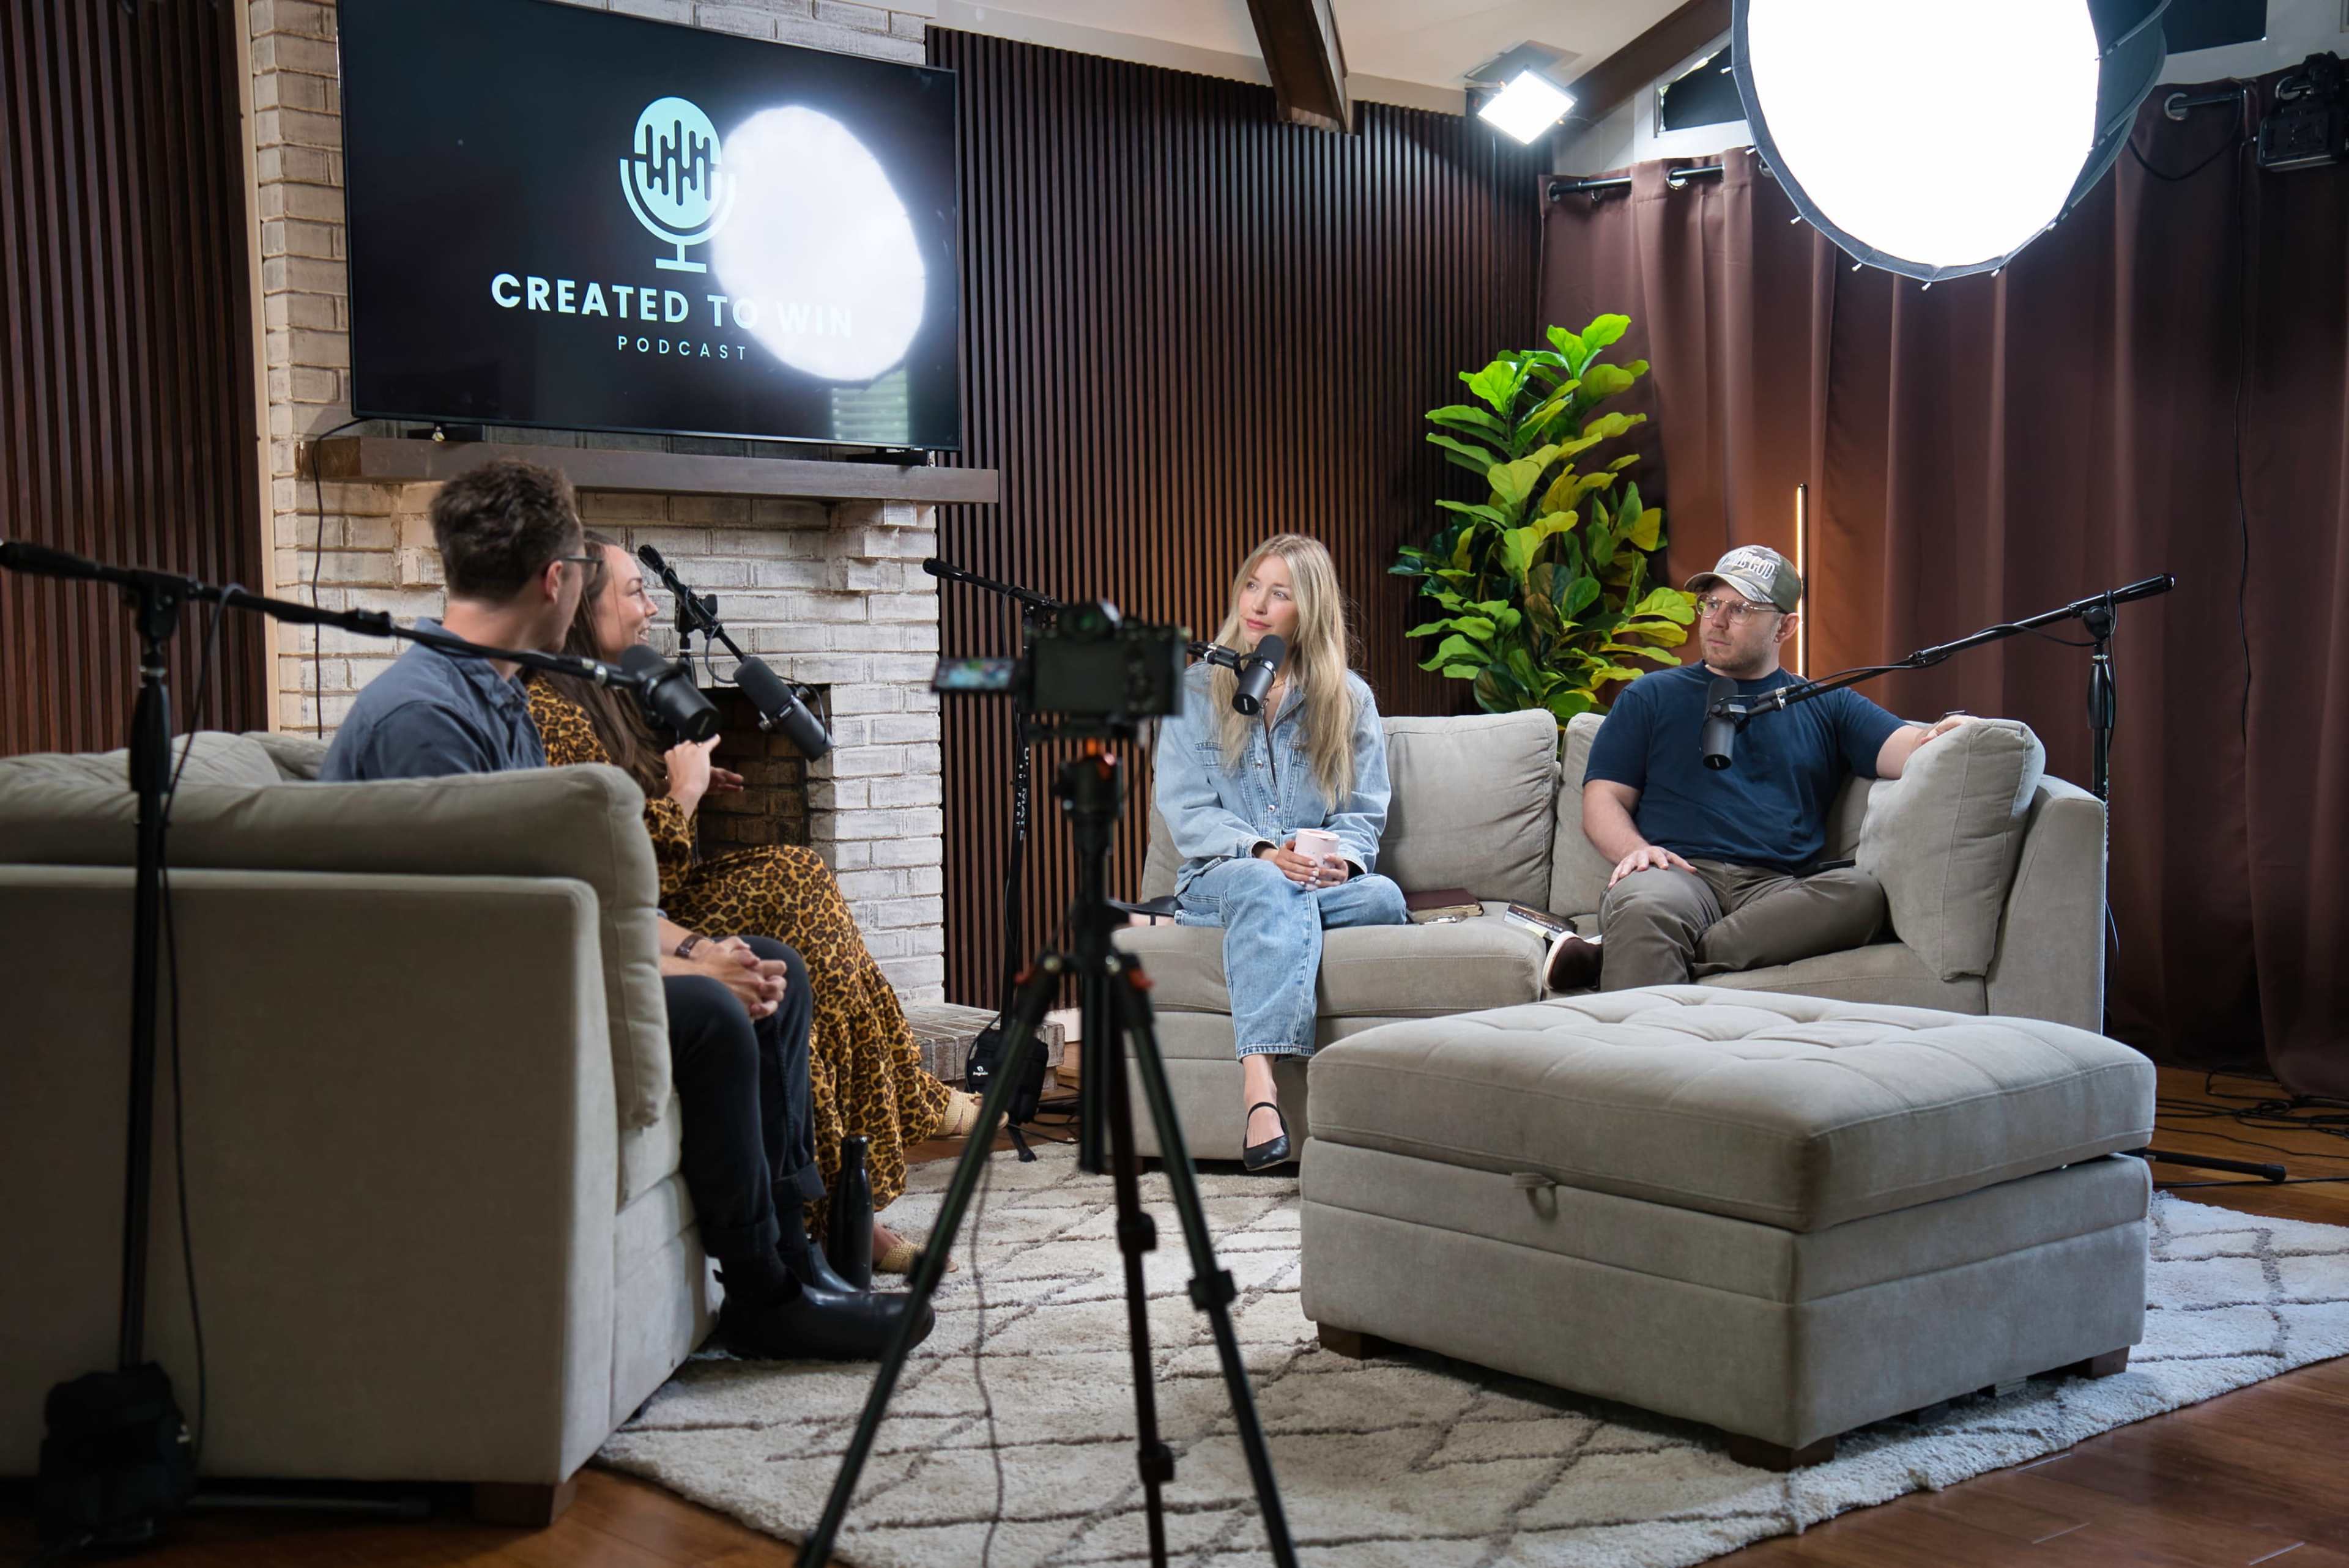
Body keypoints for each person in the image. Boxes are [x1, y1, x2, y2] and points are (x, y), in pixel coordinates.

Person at [322, 457, 928, 1361]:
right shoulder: (426, 719)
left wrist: (701, 942)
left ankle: (798, 1256)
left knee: (772, 966)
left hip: (526, 957)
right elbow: (500, 933)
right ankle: (763, 1297)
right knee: (716, 1011)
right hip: (463, 1006)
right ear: (556, 580)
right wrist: (689, 971)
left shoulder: (492, 696)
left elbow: (570, 887)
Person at [525, 531, 980, 1275]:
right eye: (634, 591)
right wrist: (682, 792)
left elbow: (630, 820)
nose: (648, 607)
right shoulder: (557, 712)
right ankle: (876, 1154)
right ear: (581, 605)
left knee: (803, 890)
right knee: (798, 889)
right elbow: (629, 868)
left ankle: (852, 1192)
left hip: (661, 892)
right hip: (648, 911)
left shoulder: (601, 692)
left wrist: (686, 784)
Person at [1556, 544, 1969, 993]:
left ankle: (1624, 956)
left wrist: (1954, 731)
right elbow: (1603, 798)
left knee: (1860, 896)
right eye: (1712, 603)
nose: (1717, 619)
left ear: (1785, 627)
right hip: (1678, 877)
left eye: (1742, 609)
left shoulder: (1824, 701)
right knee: (1643, 904)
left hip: (1777, 891)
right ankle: (1646, 1008)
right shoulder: (1651, 696)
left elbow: (1910, 746)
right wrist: (1634, 850)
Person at [1152, 534, 1410, 1170]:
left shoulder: (1348, 699)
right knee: (1265, 886)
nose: (1258, 604)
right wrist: (1265, 851)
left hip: (1313, 883)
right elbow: (1187, 811)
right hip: (1224, 875)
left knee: (1383, 895)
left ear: (1311, 608)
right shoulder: (1192, 691)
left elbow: (1363, 811)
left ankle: (1252, 926)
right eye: (1251, 585)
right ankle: (1260, 1088)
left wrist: (1337, 862)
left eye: (1279, 593)